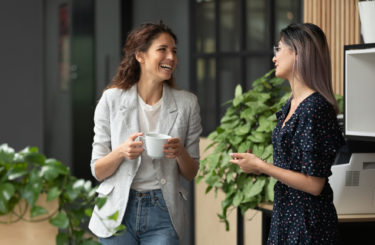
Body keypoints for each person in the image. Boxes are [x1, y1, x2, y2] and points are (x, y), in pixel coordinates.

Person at [230, 23, 345, 244]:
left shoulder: (315, 108)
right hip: (286, 217)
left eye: (279, 49)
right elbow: (292, 168)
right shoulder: (291, 104)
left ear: (299, 53)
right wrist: (256, 166)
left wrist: (262, 166)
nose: (274, 57)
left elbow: (314, 184)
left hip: (308, 224)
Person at [88, 22, 202, 245]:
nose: (171, 57)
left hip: (163, 210)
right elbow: (98, 170)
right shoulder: (111, 100)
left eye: (174, 51)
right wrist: (121, 152)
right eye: (162, 49)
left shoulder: (187, 103)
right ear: (140, 55)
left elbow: (191, 172)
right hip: (117, 210)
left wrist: (180, 152)